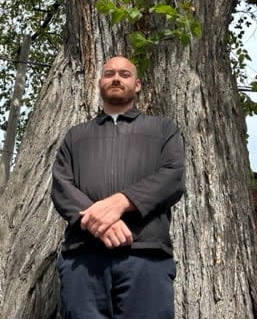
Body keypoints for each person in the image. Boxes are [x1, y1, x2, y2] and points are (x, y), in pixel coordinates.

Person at [51, 56, 185, 319]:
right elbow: (61, 185)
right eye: (109, 73)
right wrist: (100, 220)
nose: (116, 78)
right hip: (83, 257)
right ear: (100, 82)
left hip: (146, 255)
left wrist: (121, 202)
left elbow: (173, 177)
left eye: (124, 74)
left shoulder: (162, 129)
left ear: (137, 85)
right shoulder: (76, 135)